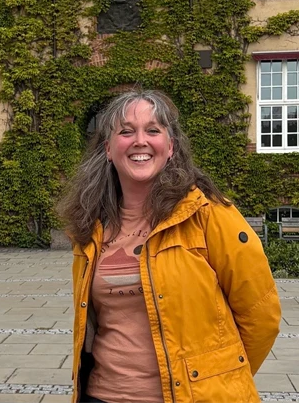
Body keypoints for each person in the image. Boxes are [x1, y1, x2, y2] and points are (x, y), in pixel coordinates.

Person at [58, 89, 281, 403]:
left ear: (171, 146)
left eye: (153, 130)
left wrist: (219, 379)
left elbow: (261, 315)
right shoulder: (91, 229)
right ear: (108, 149)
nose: (140, 141)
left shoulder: (209, 216)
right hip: (102, 395)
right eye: (126, 131)